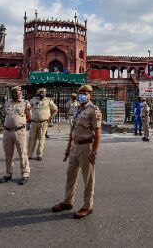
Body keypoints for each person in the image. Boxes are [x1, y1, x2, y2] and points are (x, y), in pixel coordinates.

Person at [52, 84, 102, 219]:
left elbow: (97, 133)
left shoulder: (94, 111)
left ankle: (88, 206)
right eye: (81, 93)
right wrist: (69, 146)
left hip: (87, 147)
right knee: (70, 175)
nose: (82, 95)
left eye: (85, 93)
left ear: (90, 95)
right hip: (75, 146)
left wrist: (94, 152)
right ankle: (68, 201)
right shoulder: (76, 110)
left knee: (88, 178)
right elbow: (72, 130)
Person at [0, 86, 31, 185]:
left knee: (23, 154)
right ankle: (8, 174)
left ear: (20, 93)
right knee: (8, 154)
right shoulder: (7, 103)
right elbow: (5, 114)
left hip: (20, 131)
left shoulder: (25, 103)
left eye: (16, 92)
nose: (14, 94)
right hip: (7, 132)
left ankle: (25, 174)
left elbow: (29, 116)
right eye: (13, 92)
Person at [28, 88, 58, 161]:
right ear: (38, 93)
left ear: (45, 93)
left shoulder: (49, 101)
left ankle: (39, 155)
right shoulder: (33, 100)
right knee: (32, 139)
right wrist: (28, 117)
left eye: (43, 92)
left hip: (43, 123)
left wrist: (50, 117)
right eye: (40, 92)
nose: (42, 93)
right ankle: (29, 154)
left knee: (41, 140)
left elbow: (55, 110)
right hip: (34, 122)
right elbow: (27, 108)